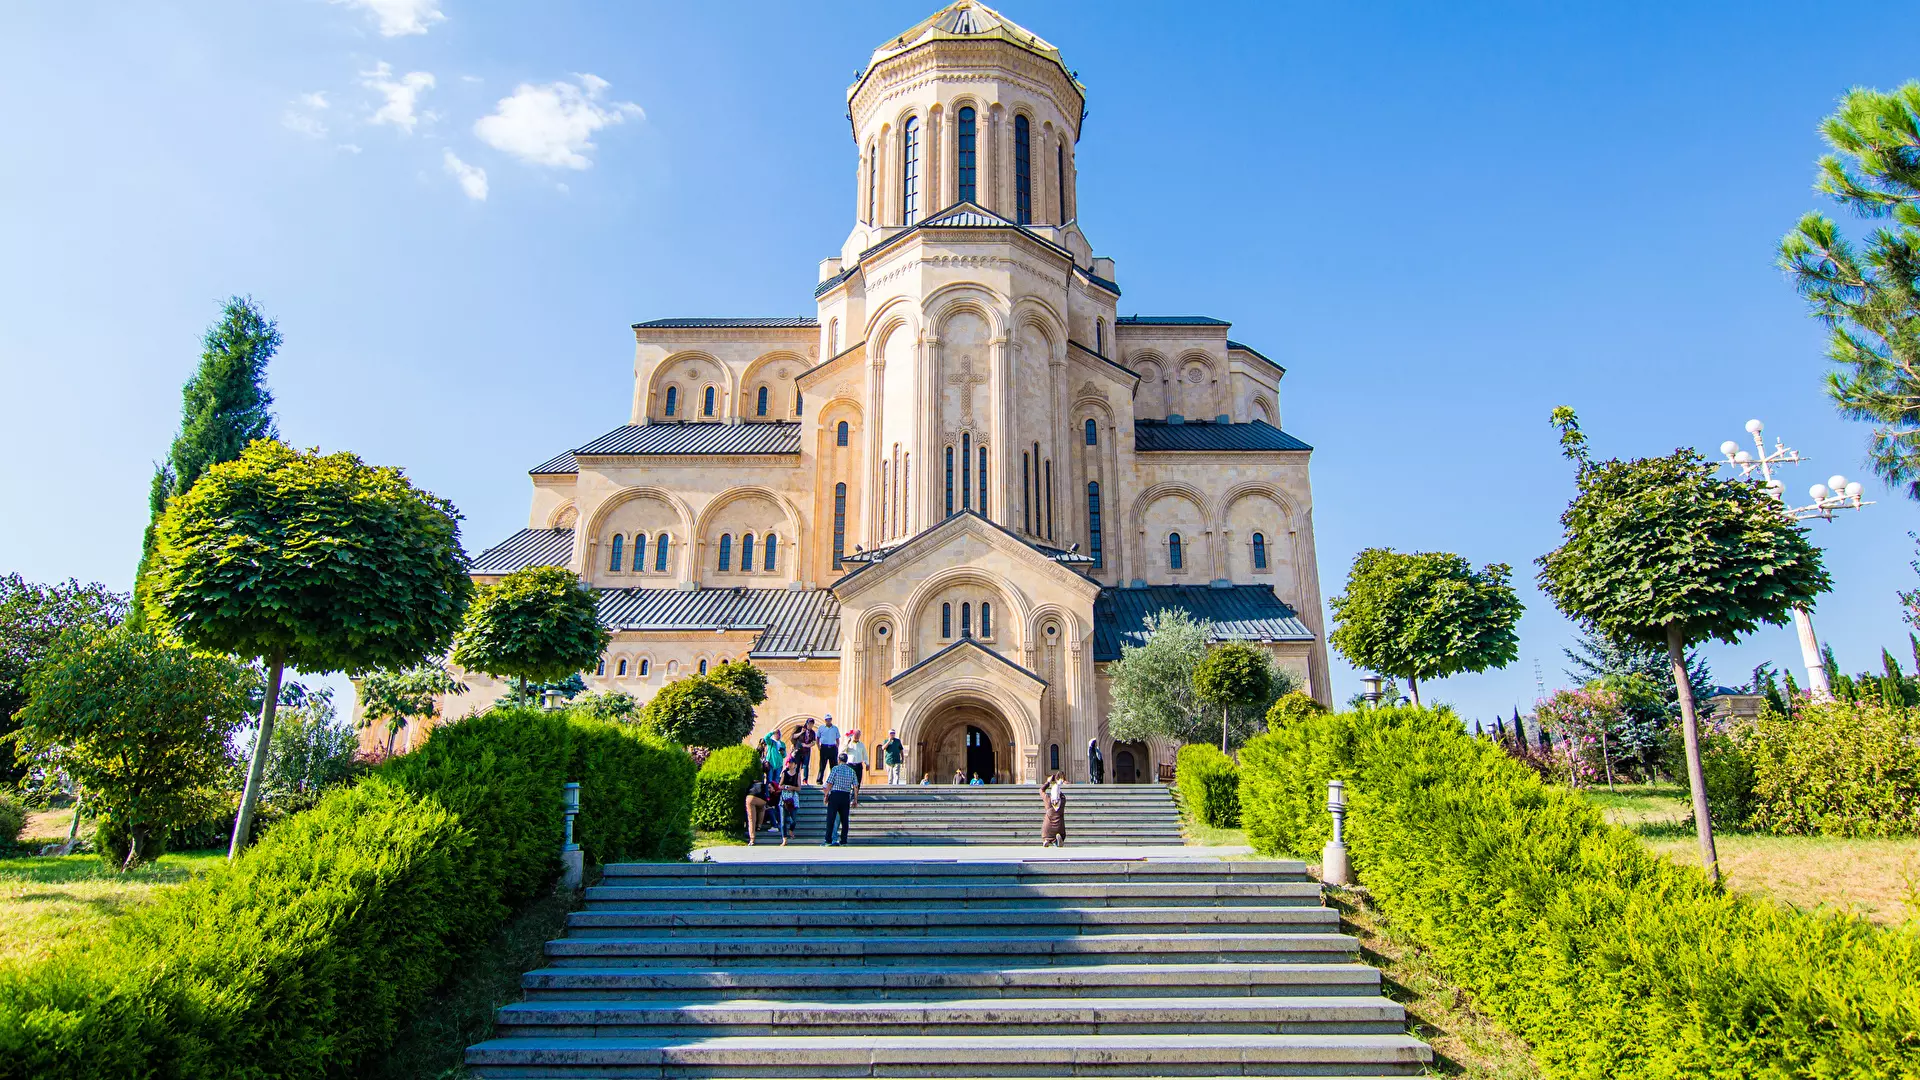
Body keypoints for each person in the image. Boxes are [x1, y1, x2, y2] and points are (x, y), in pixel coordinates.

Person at [821, 755, 860, 845]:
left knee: (831, 818)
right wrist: (855, 799)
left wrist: (826, 795)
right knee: (844, 820)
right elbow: (855, 786)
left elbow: (830, 783)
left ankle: (828, 840)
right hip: (846, 796)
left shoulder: (835, 769)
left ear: (839, 759)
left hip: (835, 794)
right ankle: (843, 840)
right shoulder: (851, 771)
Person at [1041, 772, 1067, 847]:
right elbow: (1062, 796)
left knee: (1046, 826)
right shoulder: (1062, 802)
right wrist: (1058, 785)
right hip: (1059, 828)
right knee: (1060, 830)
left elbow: (1041, 790)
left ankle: (1047, 840)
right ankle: (1057, 841)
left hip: (1047, 830)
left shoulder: (1048, 800)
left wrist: (1048, 782)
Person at [745, 775, 771, 845]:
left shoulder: (751, 785)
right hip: (760, 799)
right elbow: (766, 794)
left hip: (749, 798)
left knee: (751, 819)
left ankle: (752, 839)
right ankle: (759, 825)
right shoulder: (762, 784)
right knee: (762, 808)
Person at [815, 714, 841, 783]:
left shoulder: (835, 728)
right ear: (825, 720)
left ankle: (834, 780)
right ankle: (819, 780)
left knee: (833, 765)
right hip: (824, 747)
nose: (828, 721)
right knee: (822, 765)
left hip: (833, 747)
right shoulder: (821, 728)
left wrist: (837, 746)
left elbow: (837, 738)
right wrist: (818, 746)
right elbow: (817, 738)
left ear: (831, 720)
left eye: (829, 719)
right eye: (826, 719)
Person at [792, 720, 817, 785]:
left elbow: (814, 742)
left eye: (812, 724)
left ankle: (805, 780)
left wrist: (807, 745)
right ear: (806, 723)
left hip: (806, 751)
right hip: (798, 750)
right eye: (809, 724)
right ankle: (795, 780)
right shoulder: (800, 728)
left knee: (806, 766)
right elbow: (793, 736)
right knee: (797, 766)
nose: (810, 725)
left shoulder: (813, 732)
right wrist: (801, 732)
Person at [777, 774, 800, 845]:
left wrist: (792, 787)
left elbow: (799, 788)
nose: (790, 765)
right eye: (789, 763)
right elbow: (779, 786)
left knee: (793, 820)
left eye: (792, 763)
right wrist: (784, 787)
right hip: (783, 800)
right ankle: (784, 839)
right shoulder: (784, 774)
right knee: (783, 821)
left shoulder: (797, 775)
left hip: (793, 800)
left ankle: (791, 830)